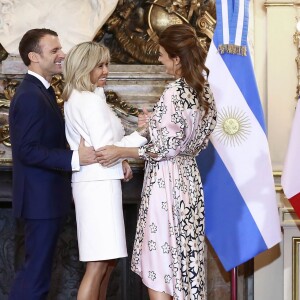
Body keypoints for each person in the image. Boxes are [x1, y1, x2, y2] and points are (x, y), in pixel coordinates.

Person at [96, 23, 217, 300]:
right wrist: (155, 125)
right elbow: (191, 137)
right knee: (183, 260)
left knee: (161, 260)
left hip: (167, 183)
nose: (160, 60)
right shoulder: (204, 89)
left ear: (176, 58)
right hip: (188, 180)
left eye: (162, 55)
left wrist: (119, 150)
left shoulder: (175, 91)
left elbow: (164, 147)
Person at [8, 28, 97, 300]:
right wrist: (75, 158)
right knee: (35, 278)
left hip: (46, 200)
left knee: (38, 275)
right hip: (40, 202)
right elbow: (27, 150)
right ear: (34, 56)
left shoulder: (41, 91)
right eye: (54, 50)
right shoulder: (29, 96)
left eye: (61, 48)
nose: (62, 54)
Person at [62, 41, 147, 300]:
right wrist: (143, 134)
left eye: (106, 64)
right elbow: (104, 149)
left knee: (106, 263)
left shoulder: (87, 98)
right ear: (84, 67)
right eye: (100, 65)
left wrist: (120, 159)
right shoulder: (88, 101)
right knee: (98, 264)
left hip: (99, 183)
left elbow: (108, 147)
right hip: (97, 186)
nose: (106, 70)